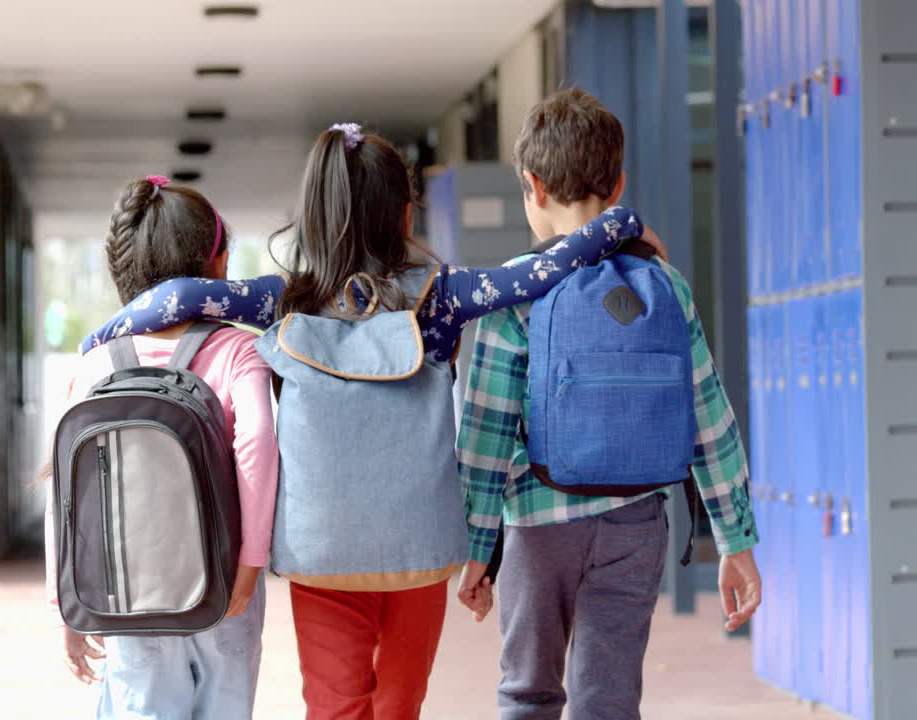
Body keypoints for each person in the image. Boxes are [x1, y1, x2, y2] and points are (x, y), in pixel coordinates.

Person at [81, 125, 657, 720]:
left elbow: (177, 296)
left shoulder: (285, 299)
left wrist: (98, 339)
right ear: (406, 214)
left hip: (321, 552)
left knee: (334, 704)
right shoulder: (443, 295)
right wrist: (624, 223)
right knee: (400, 704)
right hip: (419, 548)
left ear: (312, 215)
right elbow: (544, 272)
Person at [454, 88, 762, 720]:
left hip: (538, 531)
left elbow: (483, 435)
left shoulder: (515, 292)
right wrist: (735, 538)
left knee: (527, 692)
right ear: (619, 186)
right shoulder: (665, 283)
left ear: (533, 187)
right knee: (608, 699)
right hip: (636, 523)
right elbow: (708, 412)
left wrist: (478, 549)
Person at [44, 175, 280, 719]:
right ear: (217, 263)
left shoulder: (95, 363)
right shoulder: (239, 348)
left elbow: (65, 493)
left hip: (127, 596)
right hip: (224, 590)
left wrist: (67, 608)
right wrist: (249, 567)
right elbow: (258, 445)